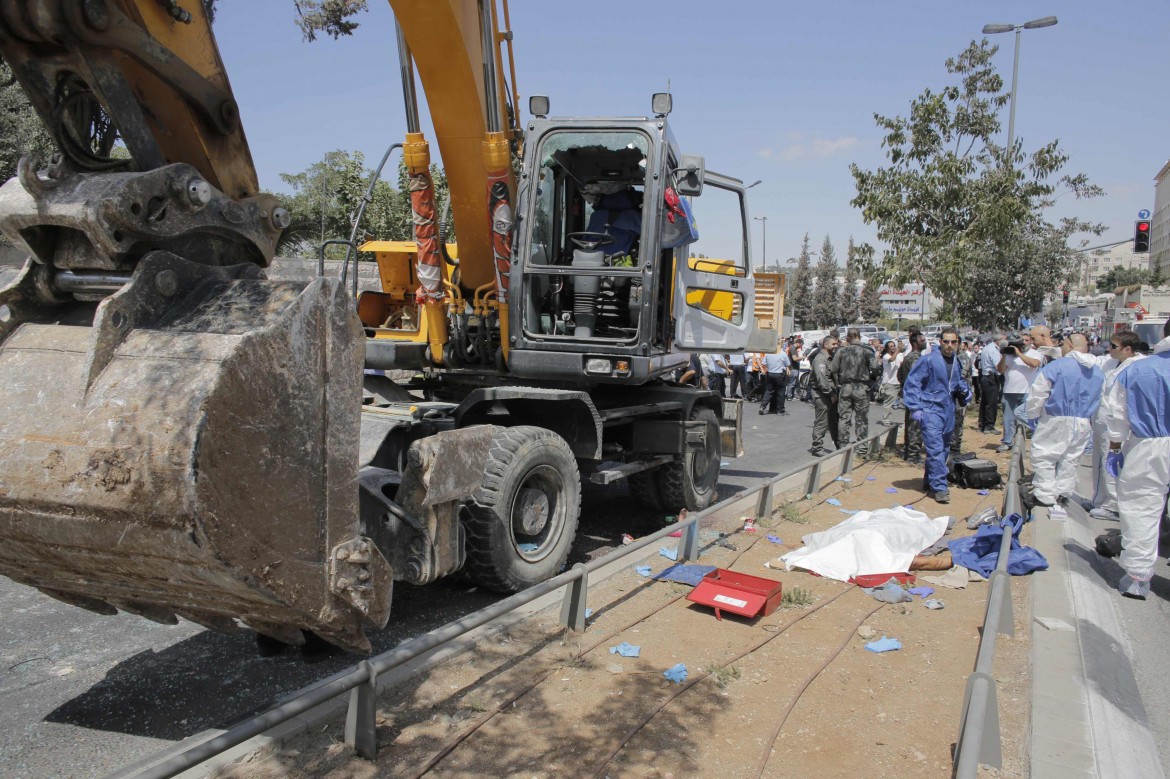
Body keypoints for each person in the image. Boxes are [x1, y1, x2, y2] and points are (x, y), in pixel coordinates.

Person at [1102, 319, 1170, 600]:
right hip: (1151, 442)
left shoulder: (1137, 370)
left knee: (1142, 509)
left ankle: (1138, 578)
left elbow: (1117, 416)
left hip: (1149, 447)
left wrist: (1115, 449)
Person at [1022, 333, 1104, 511]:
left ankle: (1044, 495)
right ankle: (1062, 493)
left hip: (1055, 418)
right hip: (1083, 421)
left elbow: (1038, 393)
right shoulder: (1097, 371)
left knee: (1044, 455)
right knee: (1070, 458)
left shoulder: (1057, 367)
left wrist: (1033, 414)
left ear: (1069, 345)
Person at [901, 327, 971, 503]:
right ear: (940, 342)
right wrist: (915, 407)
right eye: (946, 341)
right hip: (931, 409)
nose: (949, 345)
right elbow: (912, 382)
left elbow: (956, 382)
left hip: (948, 410)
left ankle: (929, 480)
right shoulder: (928, 360)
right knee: (935, 448)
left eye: (953, 342)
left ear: (957, 343)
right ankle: (940, 487)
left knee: (944, 448)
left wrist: (964, 391)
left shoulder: (956, 361)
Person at [1088, 331, 1143, 520]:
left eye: (1113, 346)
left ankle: (1113, 505)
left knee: (1111, 464)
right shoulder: (1111, 362)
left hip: (1118, 426)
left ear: (1127, 349)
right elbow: (1090, 361)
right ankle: (1098, 499)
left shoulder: (1137, 367)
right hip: (1102, 421)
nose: (1108, 349)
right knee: (1099, 462)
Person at [831, 327, 880, 457]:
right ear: (859, 336)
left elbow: (833, 368)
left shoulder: (841, 351)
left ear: (848, 338)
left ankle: (842, 446)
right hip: (862, 388)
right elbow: (875, 367)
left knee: (844, 418)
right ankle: (862, 448)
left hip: (846, 387)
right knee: (862, 419)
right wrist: (872, 377)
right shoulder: (867, 351)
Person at [996, 332, 1043, 453]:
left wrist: (1019, 353)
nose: (1024, 343)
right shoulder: (1009, 354)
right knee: (1008, 418)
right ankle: (1007, 441)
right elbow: (1000, 370)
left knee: (1027, 417)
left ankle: (1035, 441)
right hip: (1009, 391)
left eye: (1027, 340)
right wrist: (1004, 355)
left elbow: (1034, 364)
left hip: (1027, 391)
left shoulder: (1035, 353)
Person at [898, 331, 927, 464]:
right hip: (916, 397)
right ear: (915, 343)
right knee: (915, 426)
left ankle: (908, 452)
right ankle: (913, 455)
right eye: (922, 340)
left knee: (910, 424)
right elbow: (918, 378)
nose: (925, 342)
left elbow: (900, 376)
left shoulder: (908, 357)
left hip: (910, 395)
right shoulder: (915, 358)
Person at [810, 335, 841, 456]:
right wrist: (831, 394)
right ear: (825, 345)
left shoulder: (829, 358)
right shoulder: (820, 360)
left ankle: (839, 444)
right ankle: (817, 447)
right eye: (833, 344)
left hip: (830, 393)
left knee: (834, 421)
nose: (835, 346)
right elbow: (821, 380)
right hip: (822, 394)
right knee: (822, 421)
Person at [951, 340, 975, 453]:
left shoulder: (962, 358)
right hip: (950, 395)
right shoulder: (949, 356)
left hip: (960, 395)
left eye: (953, 342)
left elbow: (960, 376)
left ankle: (955, 447)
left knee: (957, 421)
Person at [977, 335, 1003, 434]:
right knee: (991, 403)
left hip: (985, 377)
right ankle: (989, 426)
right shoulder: (993, 350)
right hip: (991, 377)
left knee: (985, 402)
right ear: (999, 340)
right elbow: (998, 366)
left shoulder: (988, 348)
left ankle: (982, 425)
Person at [877, 340, 903, 425]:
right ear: (887, 349)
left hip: (900, 382)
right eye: (891, 346)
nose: (893, 347)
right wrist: (897, 350)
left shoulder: (900, 355)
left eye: (894, 345)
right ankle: (886, 420)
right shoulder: (886, 357)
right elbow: (892, 359)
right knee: (888, 403)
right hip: (890, 383)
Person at [759, 348, 791, 414]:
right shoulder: (783, 354)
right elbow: (787, 364)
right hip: (779, 374)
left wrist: (769, 367)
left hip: (770, 373)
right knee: (780, 392)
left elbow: (764, 363)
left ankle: (763, 406)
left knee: (769, 391)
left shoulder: (768, 353)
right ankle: (780, 409)